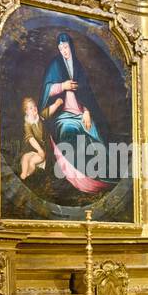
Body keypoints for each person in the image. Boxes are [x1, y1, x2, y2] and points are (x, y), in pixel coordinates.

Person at [39, 32, 113, 195]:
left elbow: (87, 95)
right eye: (60, 48)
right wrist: (62, 86)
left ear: (70, 47)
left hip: (81, 113)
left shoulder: (78, 67)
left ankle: (98, 177)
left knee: (95, 135)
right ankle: (76, 181)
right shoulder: (55, 65)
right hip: (63, 114)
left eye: (65, 47)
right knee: (68, 131)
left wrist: (87, 112)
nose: (63, 50)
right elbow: (46, 90)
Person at [19, 97, 48, 180]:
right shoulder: (27, 123)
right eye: (31, 108)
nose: (34, 108)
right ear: (26, 112)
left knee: (32, 162)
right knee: (25, 157)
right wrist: (38, 149)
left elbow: (48, 111)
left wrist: (56, 104)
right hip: (32, 149)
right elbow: (30, 138)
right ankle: (24, 173)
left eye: (34, 106)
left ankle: (28, 173)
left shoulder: (40, 117)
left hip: (42, 149)